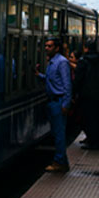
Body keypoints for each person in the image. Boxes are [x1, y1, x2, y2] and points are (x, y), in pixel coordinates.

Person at [36, 37, 72, 173]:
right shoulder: (52, 62)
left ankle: (59, 162)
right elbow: (51, 80)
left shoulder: (62, 62)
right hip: (52, 101)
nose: (46, 48)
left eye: (49, 46)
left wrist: (66, 104)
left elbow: (67, 84)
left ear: (56, 48)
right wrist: (39, 75)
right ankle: (62, 161)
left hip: (59, 102)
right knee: (57, 133)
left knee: (59, 133)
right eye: (45, 46)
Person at [73, 39, 99, 150]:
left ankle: (92, 141)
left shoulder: (82, 61)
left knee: (88, 118)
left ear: (86, 48)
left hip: (86, 95)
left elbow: (78, 79)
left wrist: (74, 93)